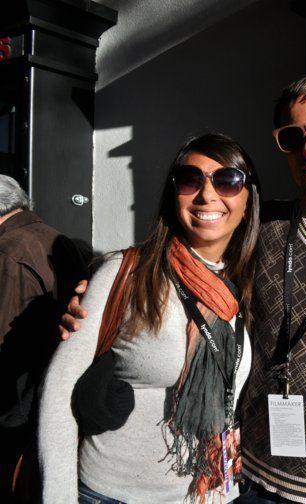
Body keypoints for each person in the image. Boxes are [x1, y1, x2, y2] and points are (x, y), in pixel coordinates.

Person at [62, 74, 306, 504]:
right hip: (242, 480)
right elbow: (178, 261)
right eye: (293, 136)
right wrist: (103, 289)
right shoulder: (258, 231)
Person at [40, 133, 260, 503]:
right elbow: (59, 391)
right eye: (191, 180)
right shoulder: (125, 273)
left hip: (208, 494)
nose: (207, 195)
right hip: (114, 494)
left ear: (247, 200)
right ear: (173, 195)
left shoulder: (240, 285)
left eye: (227, 180)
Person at [0, 175, 88, 502]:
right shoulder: (53, 236)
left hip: (16, 403)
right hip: (52, 392)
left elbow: (3, 343)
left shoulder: (8, 250)